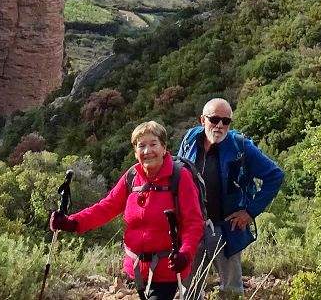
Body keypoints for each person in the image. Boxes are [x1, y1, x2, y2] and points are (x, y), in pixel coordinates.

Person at [50, 120, 205, 300]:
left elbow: (193, 223)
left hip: (168, 269)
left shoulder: (180, 177)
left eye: (153, 144)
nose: (147, 151)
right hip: (137, 269)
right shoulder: (132, 176)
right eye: (141, 146)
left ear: (164, 148)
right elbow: (106, 207)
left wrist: (185, 254)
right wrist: (72, 222)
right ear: (135, 152)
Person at [177, 98, 285, 298]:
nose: (219, 126)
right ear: (202, 120)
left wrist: (250, 211)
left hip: (225, 228)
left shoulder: (241, 147)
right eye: (214, 119)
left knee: (231, 290)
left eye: (225, 121)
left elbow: (275, 175)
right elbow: (178, 174)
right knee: (190, 289)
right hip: (192, 227)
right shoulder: (190, 139)